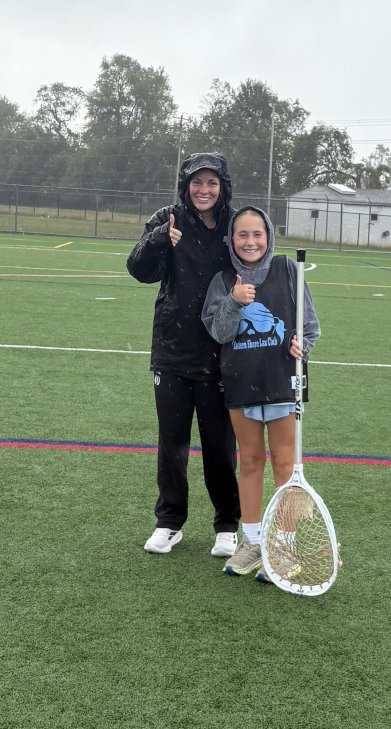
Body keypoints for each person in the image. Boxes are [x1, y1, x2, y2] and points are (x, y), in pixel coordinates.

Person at [127, 153, 241, 557]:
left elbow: (257, 267)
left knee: (219, 446)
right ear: (185, 184)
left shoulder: (234, 224)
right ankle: (169, 522)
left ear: (223, 186)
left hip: (220, 352)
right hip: (172, 350)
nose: (204, 190)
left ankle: (227, 525)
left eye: (212, 183)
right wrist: (159, 239)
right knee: (172, 443)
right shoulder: (167, 219)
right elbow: (140, 270)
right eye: (197, 182)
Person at [201, 206, 320, 583]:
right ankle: (252, 541)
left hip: (283, 382)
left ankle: (283, 546)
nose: (250, 242)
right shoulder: (223, 280)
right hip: (241, 383)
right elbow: (219, 333)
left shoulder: (288, 270)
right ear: (231, 240)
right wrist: (234, 300)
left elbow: (310, 326)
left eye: (257, 234)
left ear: (268, 236)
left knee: (285, 463)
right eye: (243, 234)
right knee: (250, 461)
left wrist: (302, 346)